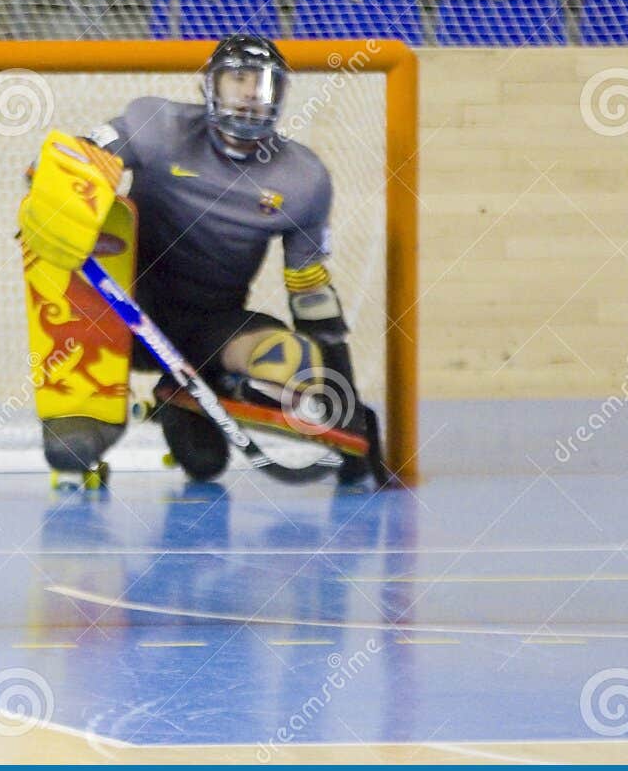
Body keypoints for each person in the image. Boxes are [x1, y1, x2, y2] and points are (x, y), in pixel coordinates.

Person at [19, 35, 380, 486]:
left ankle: (187, 396)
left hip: (213, 325)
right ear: (209, 87)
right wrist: (51, 183)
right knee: (71, 449)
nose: (251, 93)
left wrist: (343, 413)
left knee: (284, 370)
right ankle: (90, 412)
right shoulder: (158, 126)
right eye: (239, 80)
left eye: (264, 84)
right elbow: (80, 153)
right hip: (123, 315)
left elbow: (310, 291)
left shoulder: (303, 178)